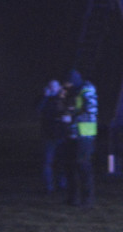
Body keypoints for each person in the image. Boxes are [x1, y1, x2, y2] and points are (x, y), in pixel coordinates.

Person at [62, 69, 98, 208]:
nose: (67, 86)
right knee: (70, 167)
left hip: (84, 135)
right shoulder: (73, 91)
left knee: (83, 167)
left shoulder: (87, 90)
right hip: (72, 134)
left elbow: (90, 110)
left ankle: (87, 200)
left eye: (68, 83)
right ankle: (73, 199)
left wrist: (71, 116)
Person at [37, 79, 69, 193]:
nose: (52, 89)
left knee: (61, 162)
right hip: (48, 135)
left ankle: (62, 184)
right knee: (47, 162)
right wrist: (45, 97)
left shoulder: (63, 99)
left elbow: (67, 112)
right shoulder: (45, 99)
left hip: (61, 135)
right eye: (50, 86)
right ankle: (49, 186)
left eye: (54, 86)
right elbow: (38, 111)